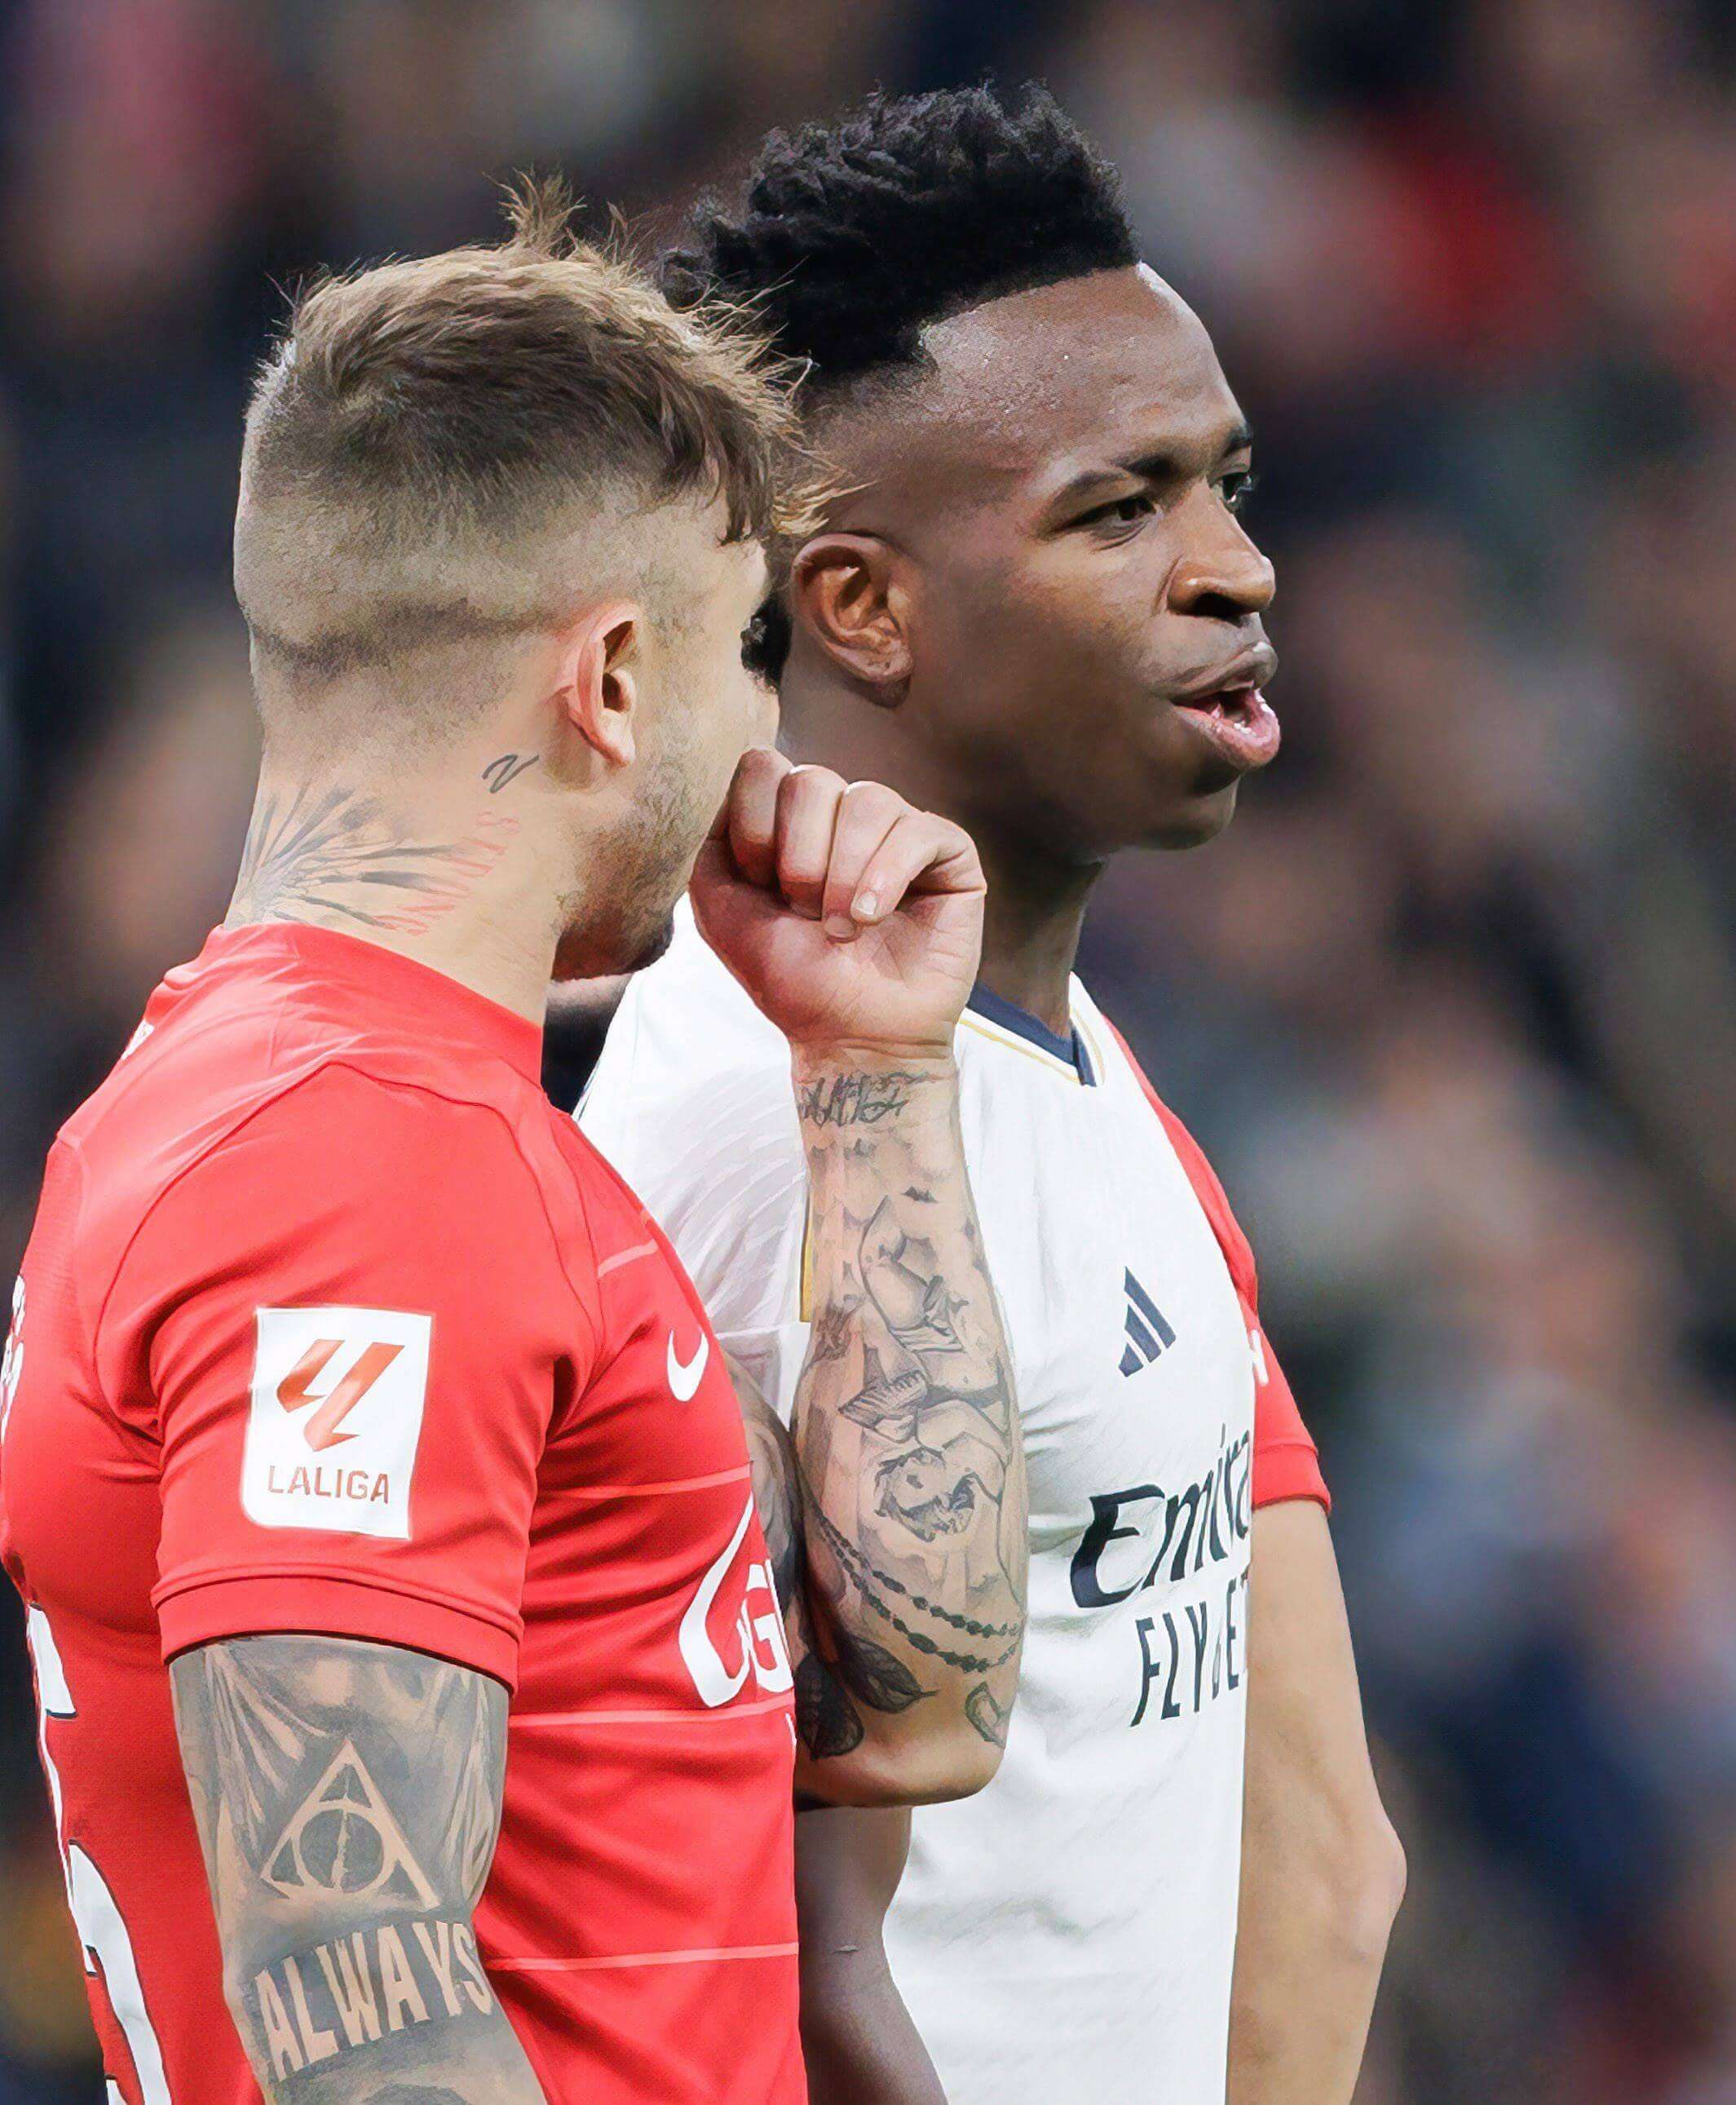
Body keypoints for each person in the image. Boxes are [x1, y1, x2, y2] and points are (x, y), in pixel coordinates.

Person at [0, 189, 1028, 2105]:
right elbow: (358, 1991)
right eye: (745, 654)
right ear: (611, 678)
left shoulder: (318, 1115)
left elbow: (910, 1704)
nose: (767, 739)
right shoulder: (367, 1170)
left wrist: (875, 1077)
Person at [576, 87, 1405, 2105]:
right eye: (1119, 511)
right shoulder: (748, 1151)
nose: (1234, 569)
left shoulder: (1089, 1066)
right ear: (859, 605)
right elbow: (733, 1954)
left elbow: (1330, 1861)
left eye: (1227, 485)